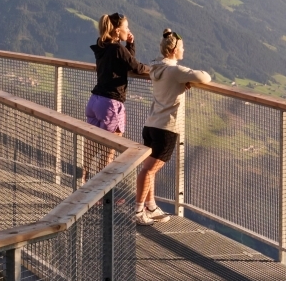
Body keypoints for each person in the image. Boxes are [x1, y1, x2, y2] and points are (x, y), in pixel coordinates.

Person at [138, 28, 211, 224]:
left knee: (148, 168)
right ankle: (137, 212)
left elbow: (170, 84)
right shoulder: (175, 71)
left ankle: (150, 206)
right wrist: (186, 78)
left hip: (151, 124)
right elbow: (205, 77)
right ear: (174, 50)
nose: (184, 50)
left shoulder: (156, 69)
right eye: (182, 47)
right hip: (166, 127)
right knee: (149, 170)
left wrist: (182, 82)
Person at [85, 13, 148, 175]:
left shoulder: (102, 46)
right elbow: (136, 67)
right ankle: (102, 194)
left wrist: (130, 44)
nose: (129, 31)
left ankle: (82, 179)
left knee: (91, 146)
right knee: (109, 151)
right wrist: (155, 70)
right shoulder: (118, 49)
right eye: (126, 28)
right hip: (111, 104)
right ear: (117, 31)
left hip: (95, 101)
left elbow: (125, 61)